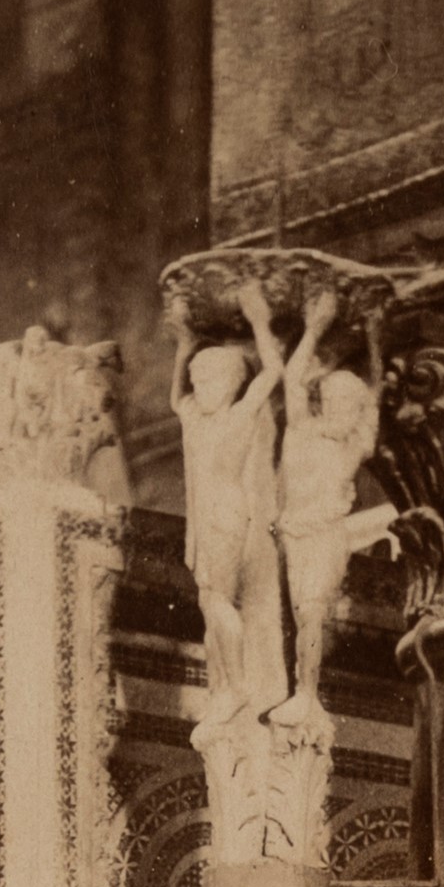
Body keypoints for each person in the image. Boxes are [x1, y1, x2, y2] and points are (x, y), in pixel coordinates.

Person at [274, 282, 395, 718]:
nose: (339, 408)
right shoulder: (303, 430)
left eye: (348, 403)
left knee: (310, 613)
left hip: (325, 533)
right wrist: (315, 327)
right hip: (293, 532)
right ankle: (298, 689)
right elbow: (292, 378)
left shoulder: (353, 447)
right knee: (294, 616)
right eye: (332, 399)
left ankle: (306, 694)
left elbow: (377, 390)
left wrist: (376, 339)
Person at [175, 285, 290, 724]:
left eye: (210, 380)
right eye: (198, 381)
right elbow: (175, 398)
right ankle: (227, 683)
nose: (200, 388)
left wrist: (259, 320)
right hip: (207, 517)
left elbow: (272, 372)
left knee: (217, 598)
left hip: (227, 511)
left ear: (231, 384)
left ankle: (239, 685)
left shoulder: (238, 416)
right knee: (209, 603)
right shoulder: (195, 420)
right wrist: (185, 347)